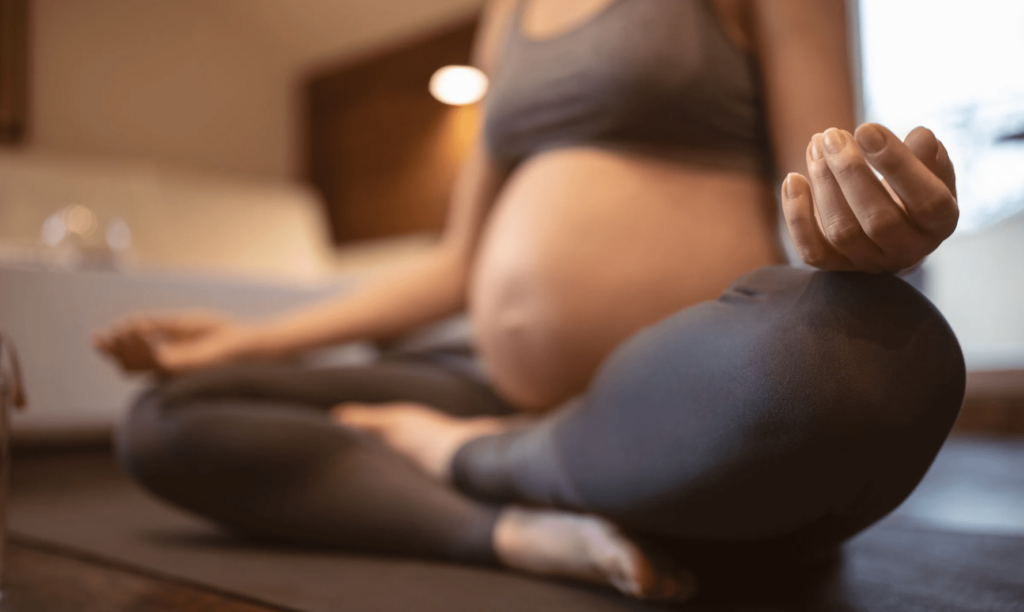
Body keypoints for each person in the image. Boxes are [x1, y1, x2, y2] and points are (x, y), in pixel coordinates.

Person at [94, 0, 964, 602]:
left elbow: (817, 184)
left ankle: (475, 459)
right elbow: (454, 265)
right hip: (501, 387)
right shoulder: (505, 15)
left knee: (868, 361)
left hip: (683, 397)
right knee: (171, 418)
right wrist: (243, 342)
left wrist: (859, 229)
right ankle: (514, 526)